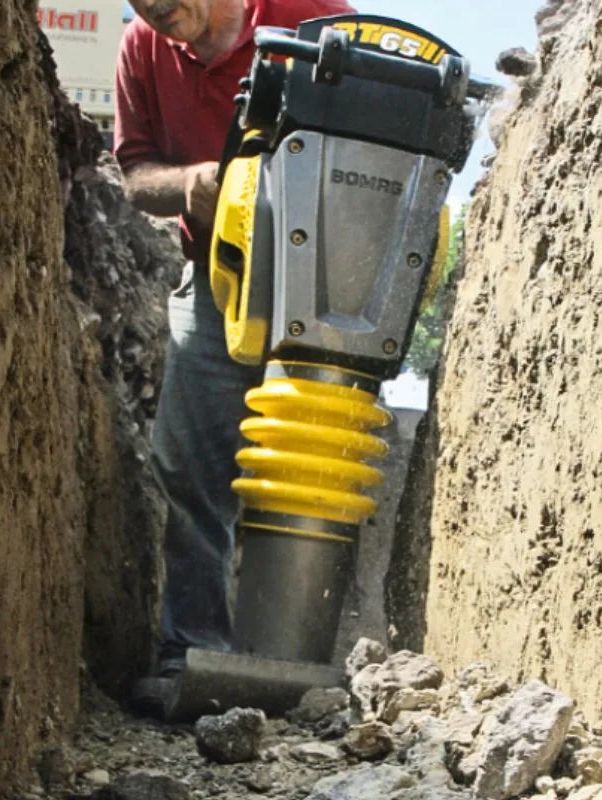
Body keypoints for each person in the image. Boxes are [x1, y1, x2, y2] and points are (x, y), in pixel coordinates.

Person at [114, 0, 355, 715]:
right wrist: (189, 183)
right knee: (189, 467)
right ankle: (191, 656)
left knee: (312, 474)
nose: (156, 8)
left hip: (321, 280)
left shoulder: (312, 16)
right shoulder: (142, 48)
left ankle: (300, 663)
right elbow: (135, 175)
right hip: (219, 276)